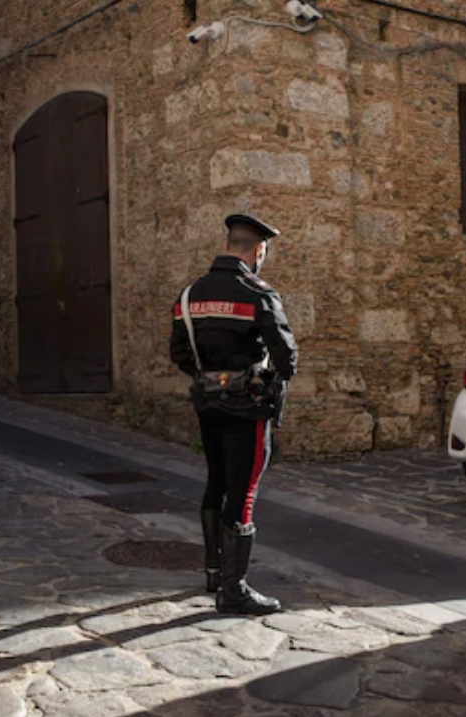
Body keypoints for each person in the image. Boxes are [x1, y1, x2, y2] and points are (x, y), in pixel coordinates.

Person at [170, 213, 297, 616]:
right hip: (248, 408)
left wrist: (209, 378)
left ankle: (213, 571)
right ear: (258, 249)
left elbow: (178, 353)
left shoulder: (190, 296)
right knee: (243, 492)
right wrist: (265, 384)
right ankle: (234, 588)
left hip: (208, 403)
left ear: (229, 244)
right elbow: (287, 356)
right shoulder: (258, 293)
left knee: (216, 481)